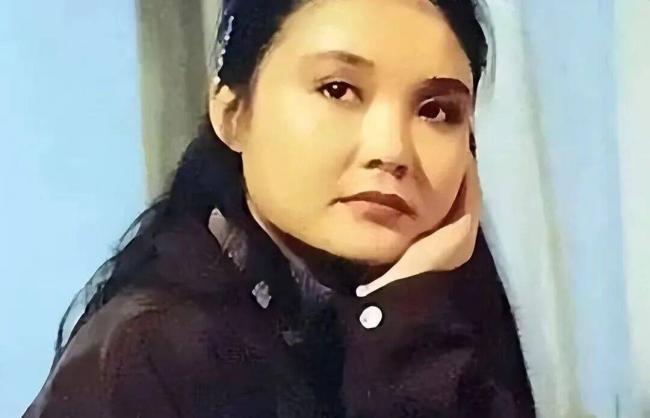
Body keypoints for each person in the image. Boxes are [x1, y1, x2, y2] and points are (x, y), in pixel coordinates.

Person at [24, 0, 536, 416]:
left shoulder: (441, 320)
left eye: (437, 111)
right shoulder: (149, 356)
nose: (393, 150)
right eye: (338, 90)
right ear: (232, 113)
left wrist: (411, 320)